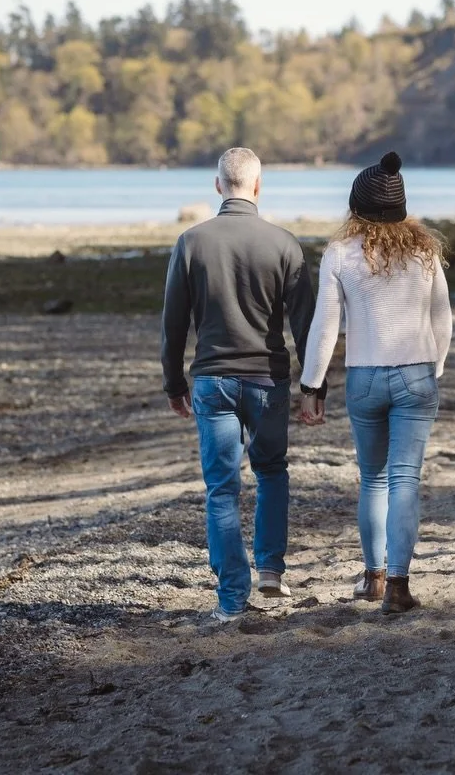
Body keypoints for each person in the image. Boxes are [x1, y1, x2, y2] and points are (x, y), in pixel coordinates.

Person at [161, 147, 321, 624]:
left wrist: (173, 382)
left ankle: (231, 599)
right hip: (268, 380)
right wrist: (315, 389)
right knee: (272, 472)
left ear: (217, 186)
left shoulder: (191, 242)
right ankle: (270, 570)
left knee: (221, 489)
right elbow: (306, 326)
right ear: (257, 186)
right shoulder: (285, 244)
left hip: (212, 380)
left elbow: (173, 324)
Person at [297, 152, 452, 614]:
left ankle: (373, 579)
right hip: (417, 374)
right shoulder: (425, 251)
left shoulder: (340, 254)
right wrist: (433, 368)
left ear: (356, 208)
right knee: (405, 479)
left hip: (364, 378)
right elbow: (442, 319)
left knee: (373, 479)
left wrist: (311, 385)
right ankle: (401, 587)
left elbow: (325, 327)